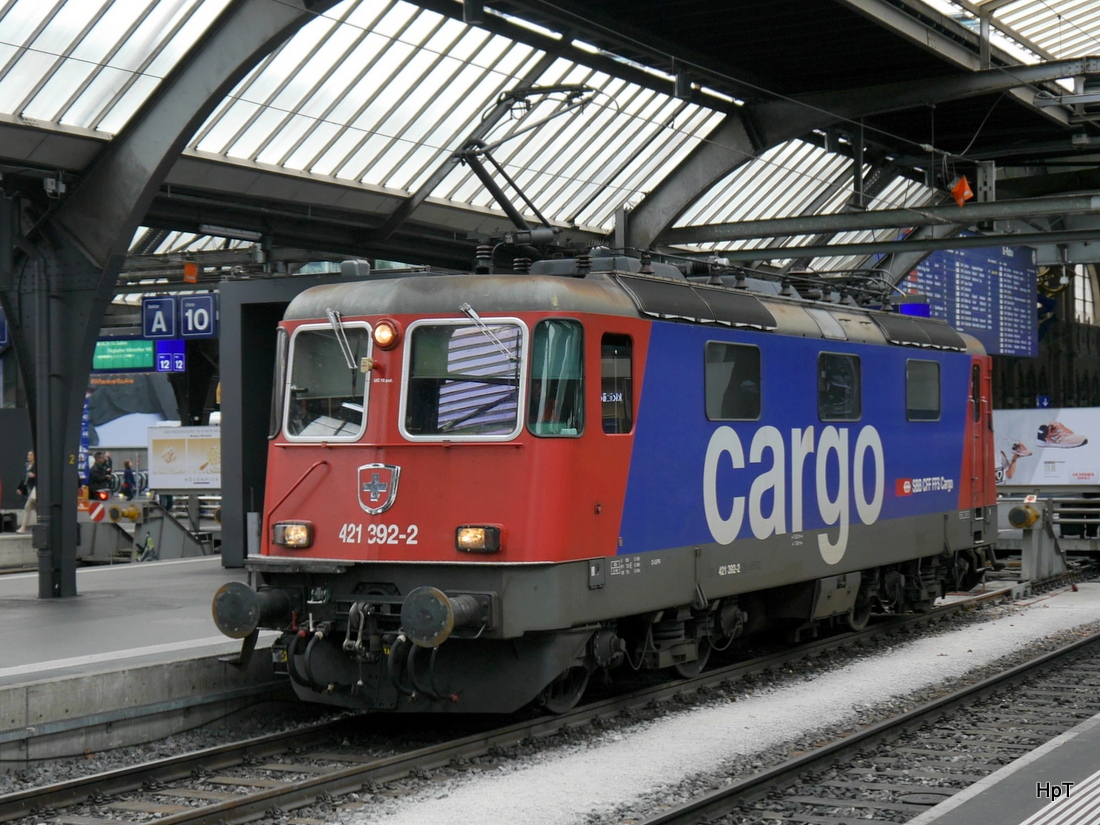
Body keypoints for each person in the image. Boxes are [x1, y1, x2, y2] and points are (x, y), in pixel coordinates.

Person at [15, 450, 36, 534]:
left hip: (35, 489)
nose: (28, 456)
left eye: (30, 455)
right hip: (29, 490)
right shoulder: (26, 466)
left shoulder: (37, 466)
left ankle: (23, 527)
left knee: (27, 507)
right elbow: (24, 478)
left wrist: (35, 476)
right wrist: (20, 488)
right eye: (28, 455)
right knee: (36, 508)